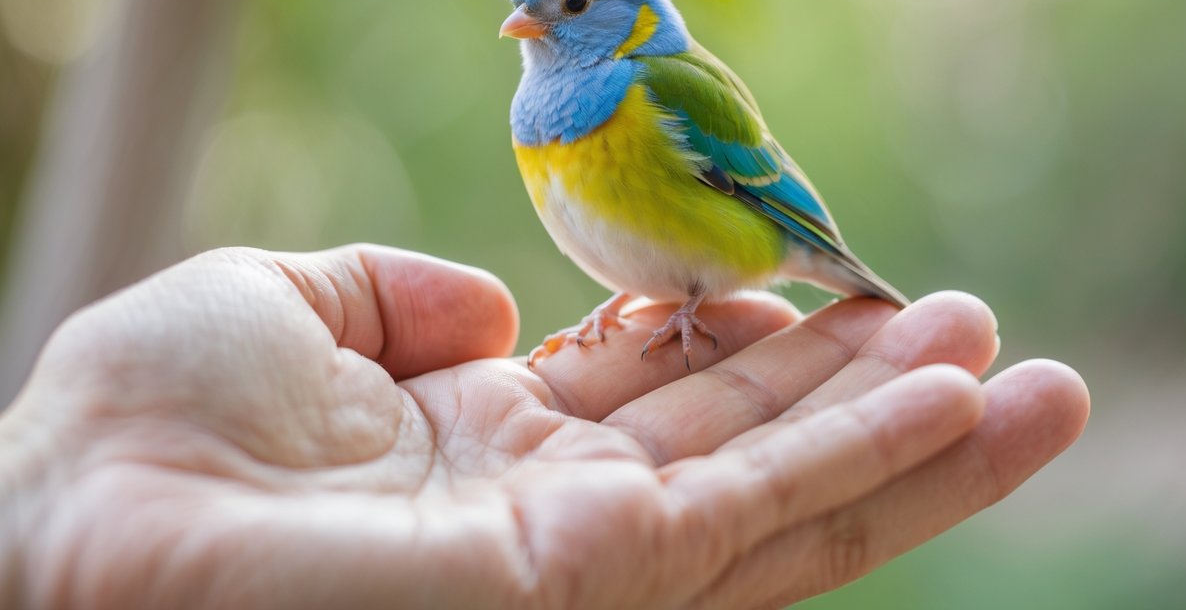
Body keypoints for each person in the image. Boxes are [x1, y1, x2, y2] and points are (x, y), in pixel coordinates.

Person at [0, 244, 1088, 608]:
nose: (530, 26)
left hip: (743, 252)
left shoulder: (655, 87)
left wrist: (54, 512)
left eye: (565, 9)